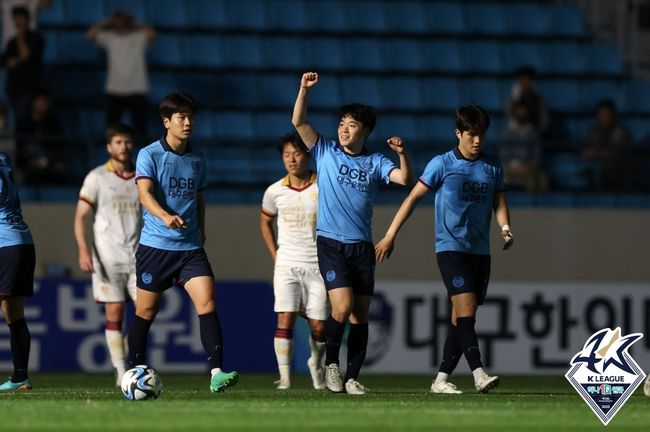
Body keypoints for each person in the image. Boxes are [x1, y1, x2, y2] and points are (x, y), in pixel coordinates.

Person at [375, 105, 512, 395]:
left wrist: (504, 228)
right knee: (466, 308)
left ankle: (440, 380)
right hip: (451, 248)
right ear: (458, 133)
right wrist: (390, 235)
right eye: (471, 134)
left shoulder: (492, 166)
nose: (477, 141)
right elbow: (412, 198)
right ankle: (478, 373)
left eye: (482, 135)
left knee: (461, 318)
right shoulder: (442, 164)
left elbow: (499, 202)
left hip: (480, 251)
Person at [292, 72, 411, 395]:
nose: (344, 129)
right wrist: (304, 90)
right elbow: (299, 120)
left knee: (360, 316)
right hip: (331, 244)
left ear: (366, 131)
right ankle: (332, 366)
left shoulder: (375, 161)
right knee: (341, 308)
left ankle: (353, 376)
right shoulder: (325, 151)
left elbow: (402, 179)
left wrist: (401, 153)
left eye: (352, 124)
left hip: (362, 247)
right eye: (342, 123)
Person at [128, 92, 238, 393]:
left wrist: (201, 228)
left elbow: (199, 197)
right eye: (181, 118)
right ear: (167, 122)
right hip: (156, 246)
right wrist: (165, 216)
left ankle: (216, 372)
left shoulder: (198, 159)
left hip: (190, 249)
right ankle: (134, 370)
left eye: (191, 117)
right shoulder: (149, 154)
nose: (188, 123)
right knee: (146, 312)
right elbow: (144, 194)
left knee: (208, 302)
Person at [73, 123, 141, 386]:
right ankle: (121, 370)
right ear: (109, 146)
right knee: (114, 312)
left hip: (138, 256)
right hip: (107, 256)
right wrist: (83, 251)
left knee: (147, 310)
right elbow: (80, 217)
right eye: (118, 142)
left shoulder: (141, 177)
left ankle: (130, 357)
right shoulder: (97, 177)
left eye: (127, 142)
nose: (123, 147)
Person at [260, 133, 327, 390]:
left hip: (318, 264)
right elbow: (265, 221)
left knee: (319, 326)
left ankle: (316, 364)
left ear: (307, 155)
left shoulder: (323, 185)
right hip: (287, 263)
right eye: (286, 154)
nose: (291, 159)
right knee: (285, 318)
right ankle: (285, 378)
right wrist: (276, 254)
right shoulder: (274, 191)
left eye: (296, 153)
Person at [86, 10, 155, 137]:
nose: (120, 24)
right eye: (118, 21)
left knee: (140, 128)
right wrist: (107, 22)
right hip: (115, 88)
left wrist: (136, 22)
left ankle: (142, 155)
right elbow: (90, 34)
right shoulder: (109, 37)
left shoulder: (139, 36)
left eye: (123, 20)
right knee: (111, 127)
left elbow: (152, 34)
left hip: (137, 87)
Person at [0, 152, 36, 390]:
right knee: (14, 314)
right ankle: (20, 376)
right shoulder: (4, 159)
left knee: (13, 313)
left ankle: (21, 376)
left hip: (4, 243)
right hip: (22, 240)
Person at [1, 5, 44, 124]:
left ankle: (23, 142)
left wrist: (16, 60)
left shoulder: (36, 38)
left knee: (23, 118)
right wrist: (12, 61)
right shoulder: (11, 41)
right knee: (11, 118)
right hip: (12, 86)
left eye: (20, 17)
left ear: (27, 19)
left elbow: (26, 54)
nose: (18, 21)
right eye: (15, 18)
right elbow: (4, 61)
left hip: (27, 86)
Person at [15, 90, 64, 184]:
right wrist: (28, 161)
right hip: (27, 164)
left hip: (48, 164)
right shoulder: (23, 123)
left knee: (58, 174)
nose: (43, 104)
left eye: (46, 102)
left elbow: (57, 147)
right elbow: (19, 148)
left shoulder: (53, 123)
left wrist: (53, 162)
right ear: (33, 102)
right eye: (41, 101)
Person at [582, 99, 631, 192]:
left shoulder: (620, 132)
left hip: (616, 172)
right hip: (596, 169)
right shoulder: (593, 131)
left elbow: (616, 154)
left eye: (606, 114)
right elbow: (585, 153)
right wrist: (599, 154)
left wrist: (597, 153)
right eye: (600, 114)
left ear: (612, 115)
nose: (603, 117)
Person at [499, 99, 548, 192]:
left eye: (524, 111)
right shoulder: (507, 132)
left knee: (543, 179)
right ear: (514, 113)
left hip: (529, 168)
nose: (522, 114)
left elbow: (537, 153)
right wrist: (516, 165)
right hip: (511, 168)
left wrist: (531, 165)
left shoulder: (533, 132)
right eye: (519, 111)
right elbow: (503, 154)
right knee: (529, 180)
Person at [506, 66, 548, 136]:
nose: (525, 82)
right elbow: (508, 117)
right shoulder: (512, 98)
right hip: (514, 134)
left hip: (533, 134)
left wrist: (529, 119)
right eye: (522, 79)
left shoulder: (538, 99)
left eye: (528, 79)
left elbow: (544, 122)